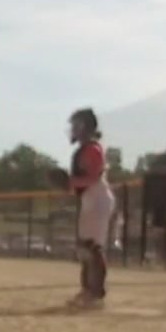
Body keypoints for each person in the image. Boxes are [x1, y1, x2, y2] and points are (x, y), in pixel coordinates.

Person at [62, 107, 112, 308]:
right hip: (90, 197)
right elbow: (81, 183)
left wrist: (70, 182)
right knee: (84, 247)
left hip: (97, 197)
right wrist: (69, 186)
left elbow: (92, 177)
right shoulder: (83, 150)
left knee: (92, 247)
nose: (72, 129)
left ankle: (96, 294)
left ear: (84, 126)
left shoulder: (93, 149)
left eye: (76, 124)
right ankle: (87, 290)